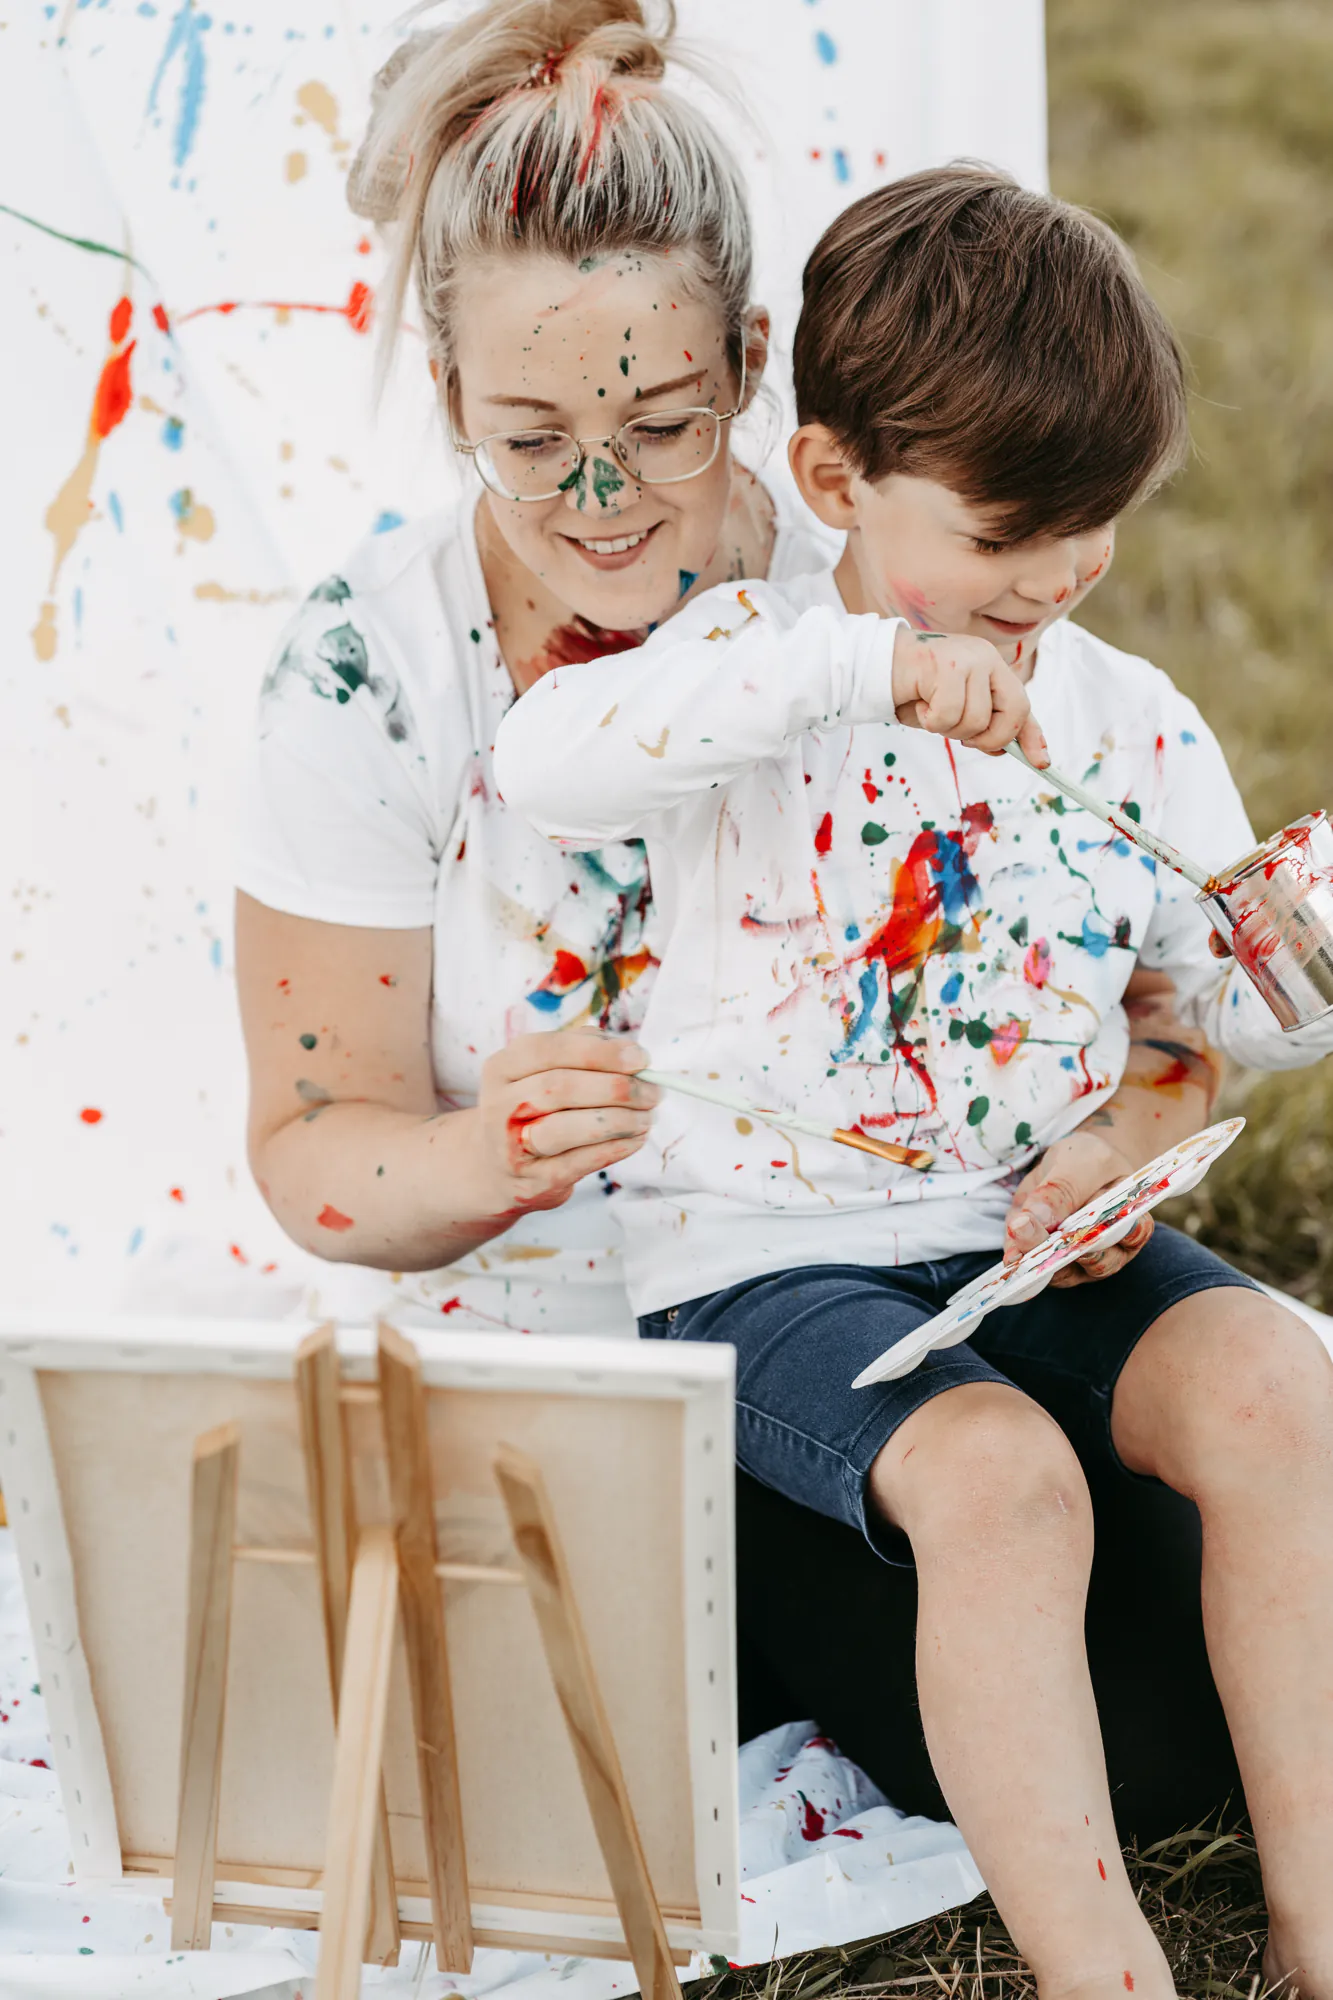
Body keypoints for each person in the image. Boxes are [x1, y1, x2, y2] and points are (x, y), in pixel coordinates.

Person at [234, 0, 1228, 1887]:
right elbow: (309, 1157)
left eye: (662, 423)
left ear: (756, 365)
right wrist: (478, 1154)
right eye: (532, 438)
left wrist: (1131, 1116)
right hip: (590, 1377)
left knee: (1194, 1652)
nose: (603, 499)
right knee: (1109, 1717)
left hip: (929, 1295)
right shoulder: (370, 669)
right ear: (446, 392)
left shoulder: (878, 578)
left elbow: (1149, 977)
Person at [494, 167, 1333, 1998]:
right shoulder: (743, 670)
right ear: (832, 483)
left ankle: (1319, 1923)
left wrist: (1268, 987)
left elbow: (1213, 1012)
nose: (1055, 575)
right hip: (763, 1274)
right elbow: (551, 760)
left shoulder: (1130, 721)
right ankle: (1106, 1968)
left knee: (1278, 1378)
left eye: (1096, 526)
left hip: (1033, 1245)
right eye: (1009, 528)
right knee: (1005, 1487)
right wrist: (861, 667)